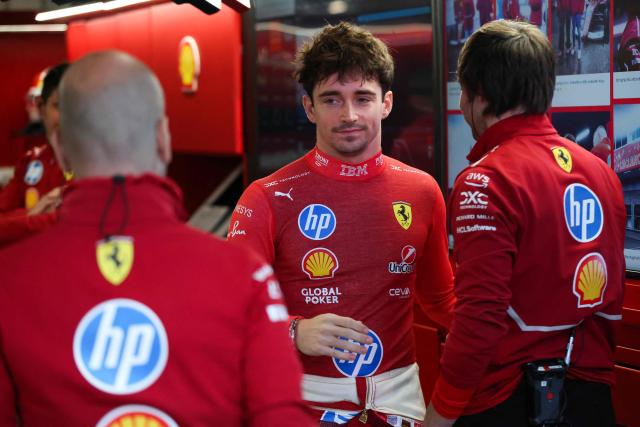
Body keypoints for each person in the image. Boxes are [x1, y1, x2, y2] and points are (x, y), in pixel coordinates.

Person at [0, 50, 313, 426]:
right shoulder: (245, 274)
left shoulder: (9, 280)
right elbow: (281, 417)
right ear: (163, 137)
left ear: (61, 147)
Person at [228, 22, 455, 426]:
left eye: (362, 98)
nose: (349, 115)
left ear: (386, 103)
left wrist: (511, 337)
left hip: (399, 403)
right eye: (332, 99)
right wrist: (294, 331)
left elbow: (441, 301)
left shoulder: (422, 191)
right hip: (298, 403)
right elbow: (228, 311)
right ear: (309, 107)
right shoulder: (266, 197)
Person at [424, 20, 625, 427]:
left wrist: (438, 417)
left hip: (505, 402)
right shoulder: (601, 172)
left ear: (479, 96)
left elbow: (479, 320)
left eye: (462, 92)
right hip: (591, 398)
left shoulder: (485, 179)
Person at [0, 63, 70, 246]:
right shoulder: (30, 161)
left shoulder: (98, 164)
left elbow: (67, 223)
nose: (68, 117)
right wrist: (33, 214)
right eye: (59, 106)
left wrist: (25, 218)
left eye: (76, 107)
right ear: (41, 108)